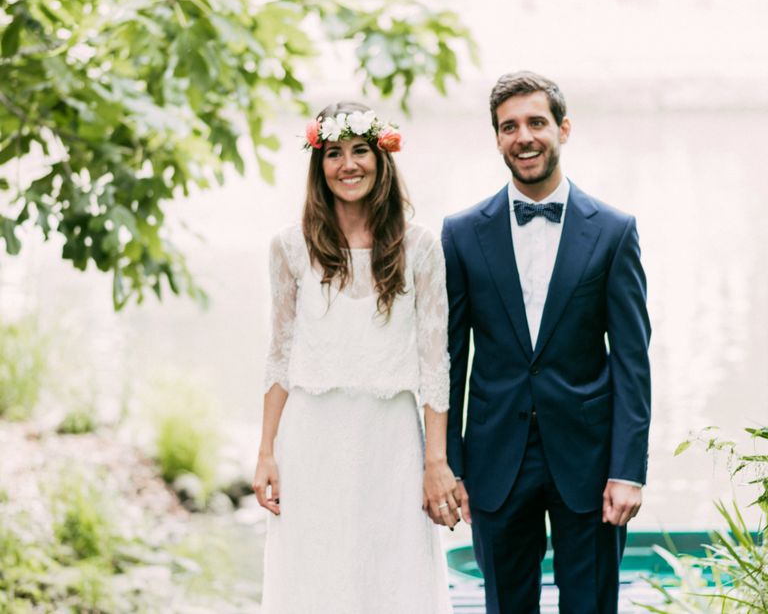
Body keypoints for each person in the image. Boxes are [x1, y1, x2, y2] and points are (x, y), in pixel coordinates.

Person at [441, 71, 652, 614]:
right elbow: (449, 359)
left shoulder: (613, 230)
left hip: (589, 460)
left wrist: (627, 470)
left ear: (563, 128)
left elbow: (632, 362)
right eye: (508, 127)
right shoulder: (461, 233)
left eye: (536, 122)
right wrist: (450, 464)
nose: (524, 137)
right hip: (494, 461)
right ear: (496, 138)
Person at [252, 101, 459, 614]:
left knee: (392, 576)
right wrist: (265, 451)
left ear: (381, 157)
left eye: (361, 151)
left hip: (389, 440)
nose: (349, 164)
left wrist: (436, 463)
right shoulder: (289, 247)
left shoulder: (421, 246)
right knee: (314, 577)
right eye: (335, 153)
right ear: (318, 166)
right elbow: (278, 355)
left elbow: (436, 364)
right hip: (311, 440)